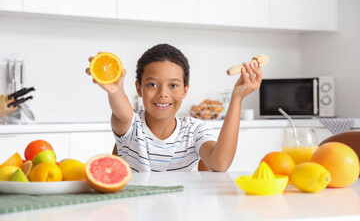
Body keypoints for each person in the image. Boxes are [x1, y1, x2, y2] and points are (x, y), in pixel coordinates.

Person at [86, 44, 262, 172]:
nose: (163, 93)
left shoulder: (194, 130)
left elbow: (220, 163)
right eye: (152, 84)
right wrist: (116, 91)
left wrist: (237, 97)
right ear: (139, 88)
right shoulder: (131, 126)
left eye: (173, 86)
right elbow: (122, 112)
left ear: (185, 90)